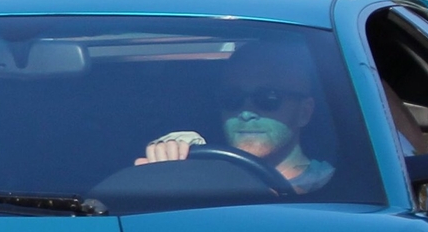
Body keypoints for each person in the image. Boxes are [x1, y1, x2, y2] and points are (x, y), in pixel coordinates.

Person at [137, 40, 334, 193]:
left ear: (304, 112)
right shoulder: (201, 176)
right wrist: (168, 167)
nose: (246, 112)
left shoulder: (337, 187)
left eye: (268, 98)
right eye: (232, 98)